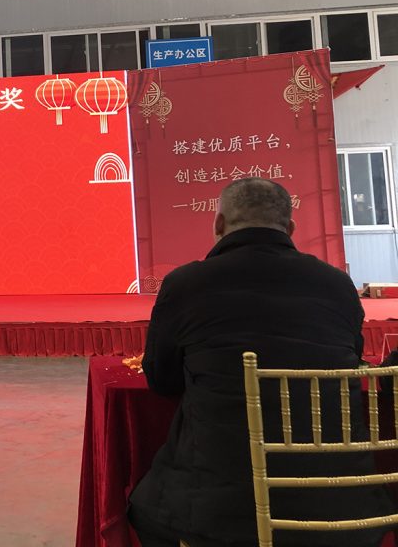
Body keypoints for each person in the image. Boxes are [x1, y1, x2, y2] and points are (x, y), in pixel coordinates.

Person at [128, 178, 394, 547]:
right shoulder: (337, 284)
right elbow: (351, 362)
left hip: (218, 515)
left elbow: (162, 380)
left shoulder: (186, 284)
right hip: (343, 509)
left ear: (219, 224)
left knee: (147, 506)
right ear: (291, 228)